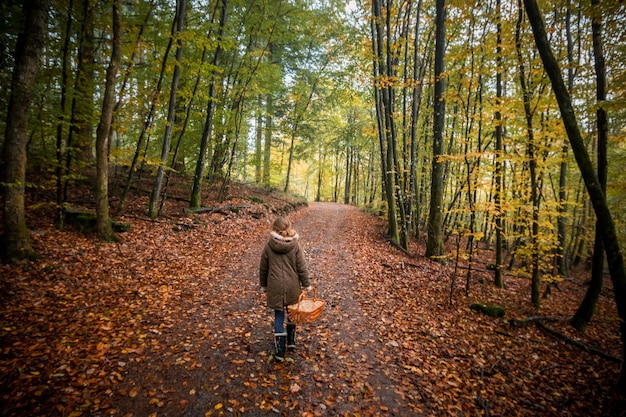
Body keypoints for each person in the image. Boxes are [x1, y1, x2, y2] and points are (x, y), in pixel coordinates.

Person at [259, 216, 311, 361]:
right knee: (292, 313)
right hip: (292, 285)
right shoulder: (295, 245)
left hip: (275, 285)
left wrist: (263, 285)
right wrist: (306, 284)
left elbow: (263, 268)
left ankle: (280, 352)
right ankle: (291, 342)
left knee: (279, 315)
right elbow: (301, 267)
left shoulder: (269, 246)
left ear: (274, 229)